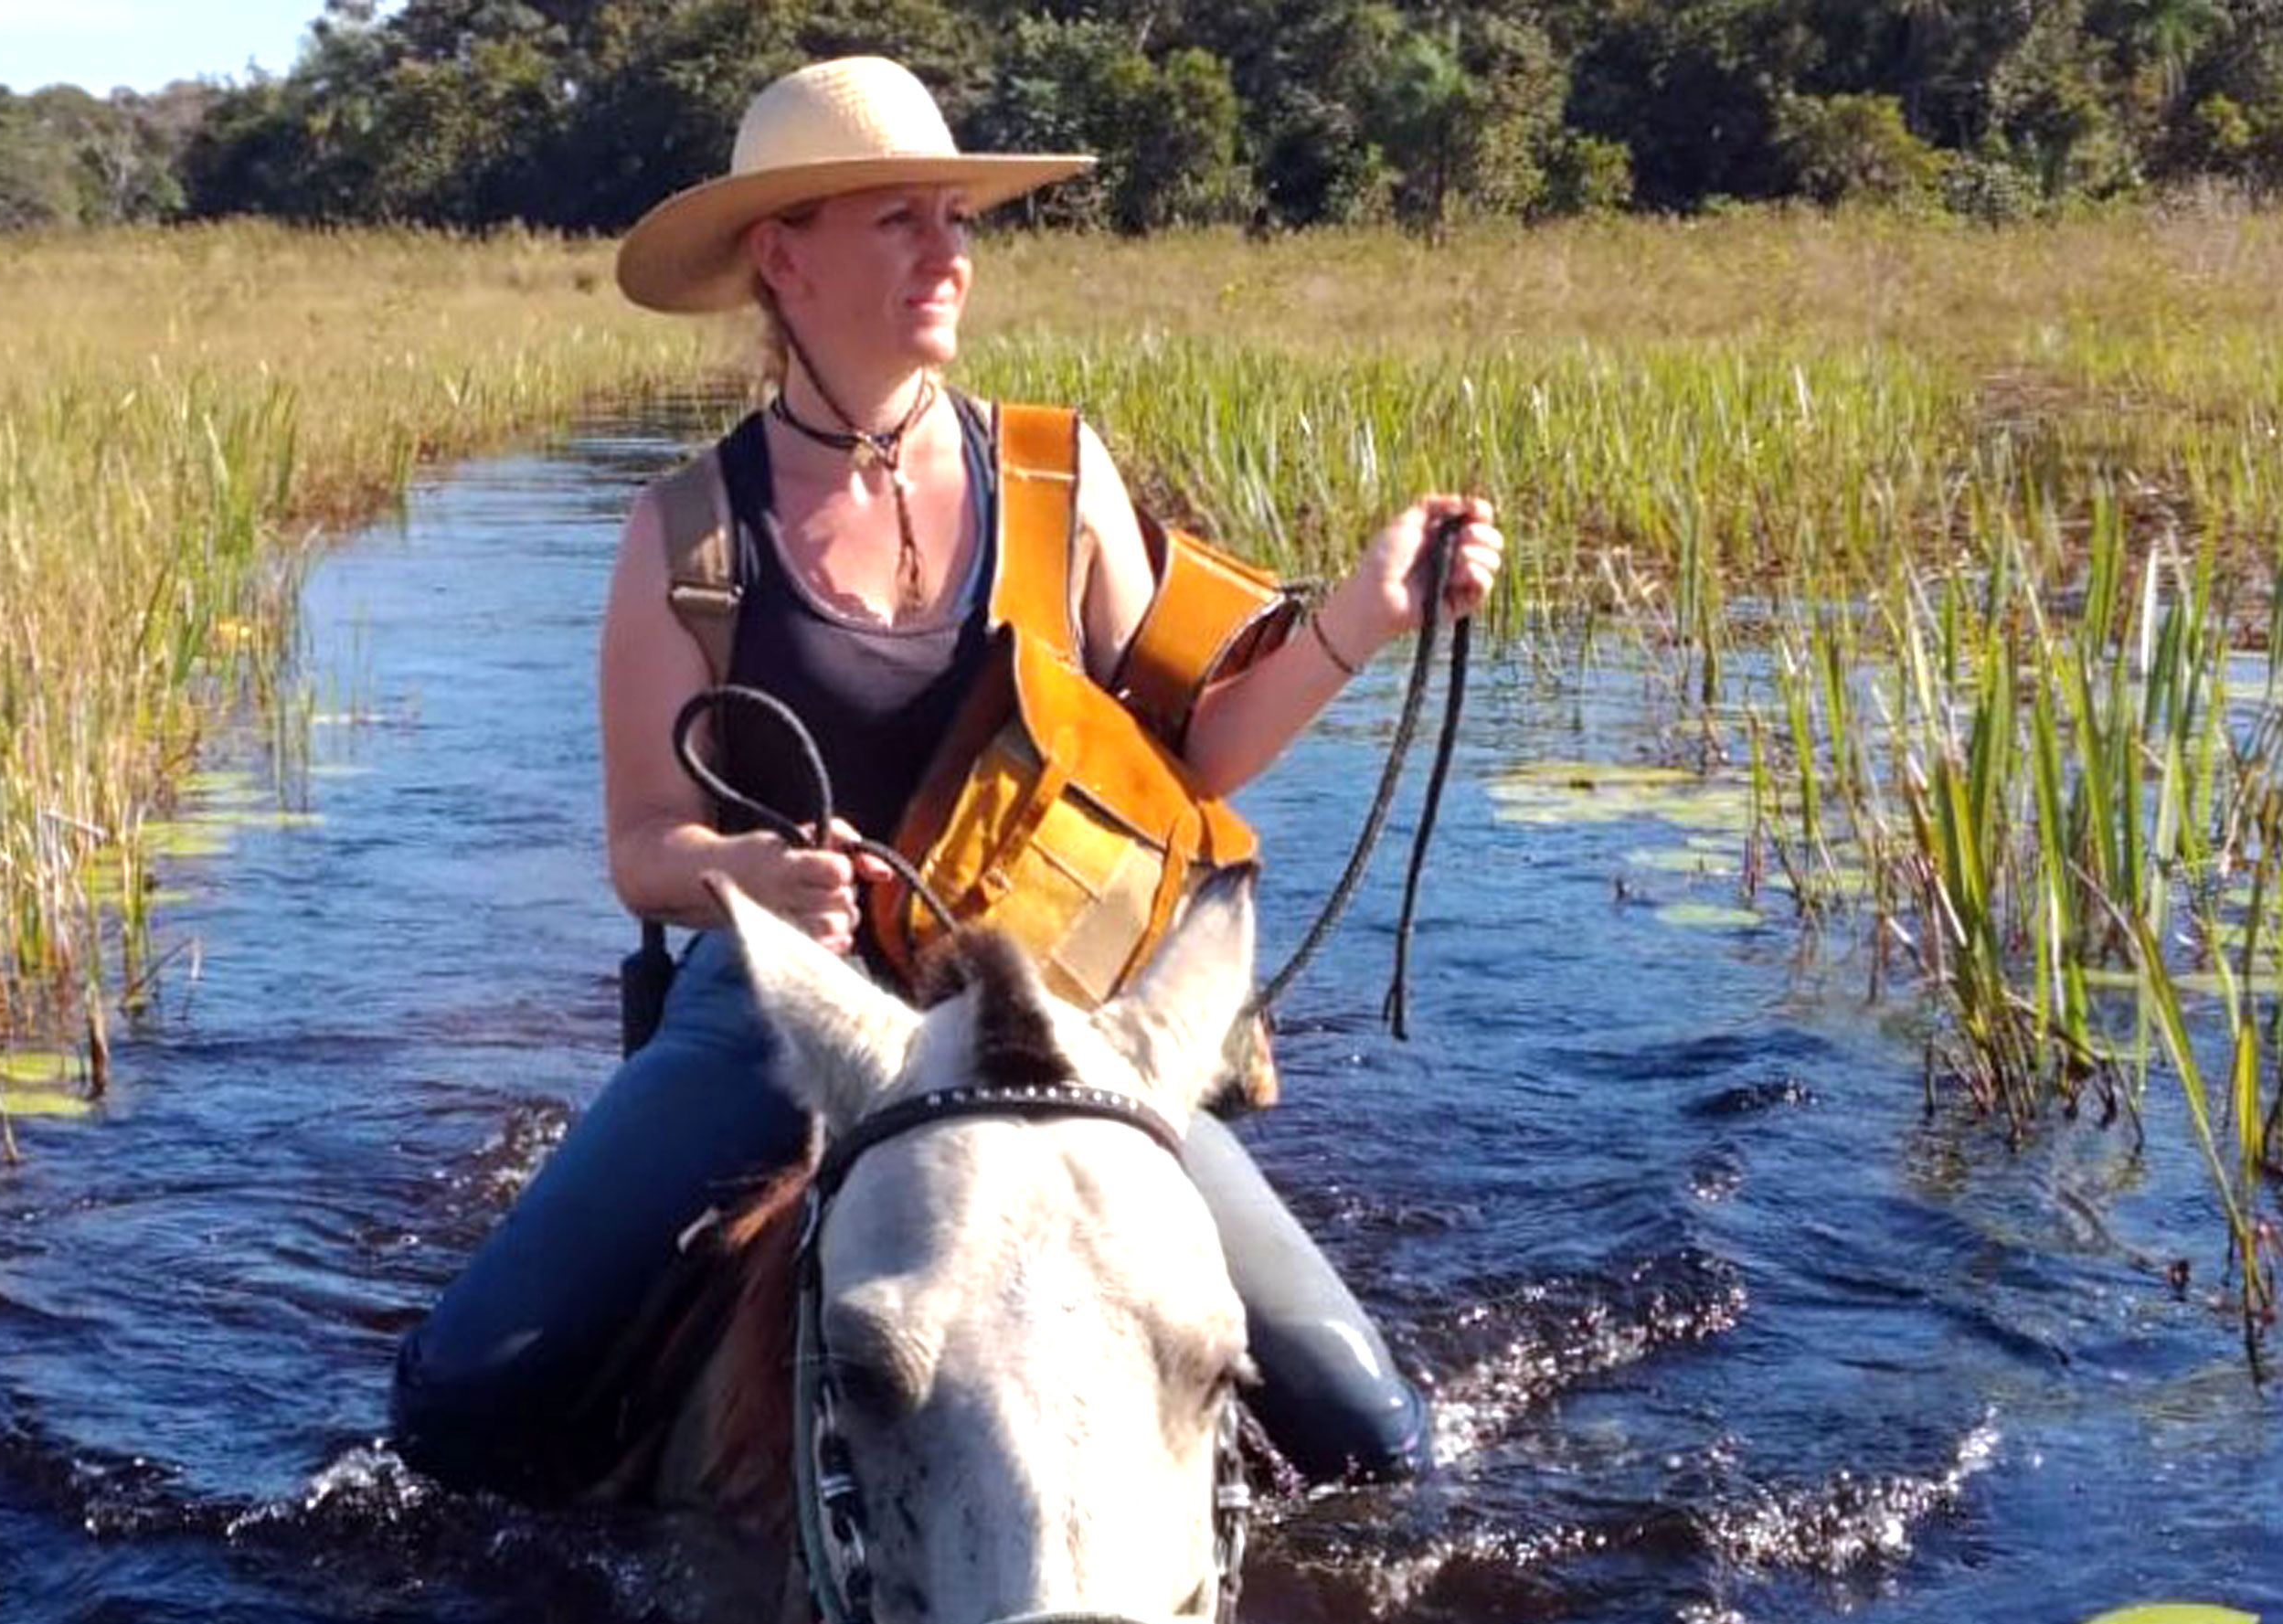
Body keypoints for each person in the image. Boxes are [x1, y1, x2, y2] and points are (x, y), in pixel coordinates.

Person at [391, 54, 1505, 1499]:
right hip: (782, 1015)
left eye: (959, 218)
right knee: (465, 1401)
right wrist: (746, 875)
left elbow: (1204, 749)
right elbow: (642, 847)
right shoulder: (684, 535)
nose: (949, 252)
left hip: (1055, 1009)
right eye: (899, 219)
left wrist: (1364, 616)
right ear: (782, 259)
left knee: (1370, 1428)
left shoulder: (1056, 475)